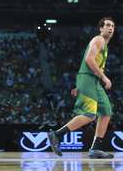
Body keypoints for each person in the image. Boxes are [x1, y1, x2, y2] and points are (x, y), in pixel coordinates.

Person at [47, 18, 116, 159]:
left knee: (106, 112)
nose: (110, 28)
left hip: (92, 81)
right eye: (107, 25)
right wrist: (104, 77)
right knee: (90, 115)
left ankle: (95, 149)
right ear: (100, 28)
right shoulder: (99, 40)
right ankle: (56, 134)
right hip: (89, 79)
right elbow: (89, 60)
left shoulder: (105, 44)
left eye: (113, 26)